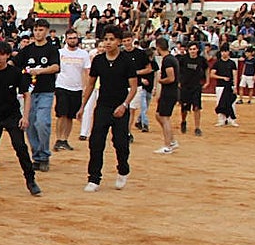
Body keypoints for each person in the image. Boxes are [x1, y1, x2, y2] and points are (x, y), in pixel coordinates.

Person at [0, 41, 40, 195]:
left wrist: (25, 116)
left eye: (2, 54)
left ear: (8, 56)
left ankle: (31, 181)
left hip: (12, 115)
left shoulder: (15, 73)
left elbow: (26, 94)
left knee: (20, 147)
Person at [79, 26, 139, 192]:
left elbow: (133, 87)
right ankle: (94, 178)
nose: (108, 42)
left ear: (119, 42)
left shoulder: (127, 61)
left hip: (121, 106)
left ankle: (123, 169)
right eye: (105, 39)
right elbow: (90, 84)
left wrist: (125, 105)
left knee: (120, 143)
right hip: (103, 106)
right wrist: (82, 106)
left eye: (111, 39)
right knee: (96, 142)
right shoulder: (98, 61)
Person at [13, 18, 60, 171]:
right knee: (30, 125)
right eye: (36, 30)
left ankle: (44, 154)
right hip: (29, 93)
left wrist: (40, 71)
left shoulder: (52, 49)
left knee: (42, 122)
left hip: (46, 90)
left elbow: (55, 67)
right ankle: (37, 156)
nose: (38, 33)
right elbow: (15, 62)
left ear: (46, 31)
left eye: (41, 30)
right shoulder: (27, 49)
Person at [53, 27, 89, 152]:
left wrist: (85, 87)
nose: (72, 40)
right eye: (70, 38)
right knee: (61, 114)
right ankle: (58, 139)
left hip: (77, 88)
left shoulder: (83, 54)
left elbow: (86, 71)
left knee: (70, 116)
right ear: (66, 39)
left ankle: (65, 139)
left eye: (74, 38)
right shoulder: (59, 53)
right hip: (62, 86)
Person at [153, 37, 180, 154]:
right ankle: (172, 141)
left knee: (164, 117)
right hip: (170, 92)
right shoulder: (171, 59)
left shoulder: (167, 60)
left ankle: (168, 145)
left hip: (169, 91)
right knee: (159, 115)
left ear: (158, 47)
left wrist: (160, 80)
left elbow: (171, 78)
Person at [176, 41, 208, 137]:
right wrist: (178, 82)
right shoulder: (183, 59)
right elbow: (177, 70)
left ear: (197, 50)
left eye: (194, 49)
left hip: (196, 86)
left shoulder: (201, 60)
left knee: (197, 107)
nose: (192, 51)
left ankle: (197, 127)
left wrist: (208, 81)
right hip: (185, 86)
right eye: (190, 49)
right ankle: (183, 121)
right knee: (184, 108)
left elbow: (207, 69)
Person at [212, 47, 240, 127]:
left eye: (226, 51)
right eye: (223, 51)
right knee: (220, 103)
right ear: (221, 52)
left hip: (230, 86)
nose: (224, 53)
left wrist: (235, 86)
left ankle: (232, 120)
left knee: (231, 103)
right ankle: (221, 120)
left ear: (228, 52)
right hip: (220, 86)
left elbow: (235, 75)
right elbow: (212, 74)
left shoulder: (232, 63)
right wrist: (222, 78)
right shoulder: (217, 63)